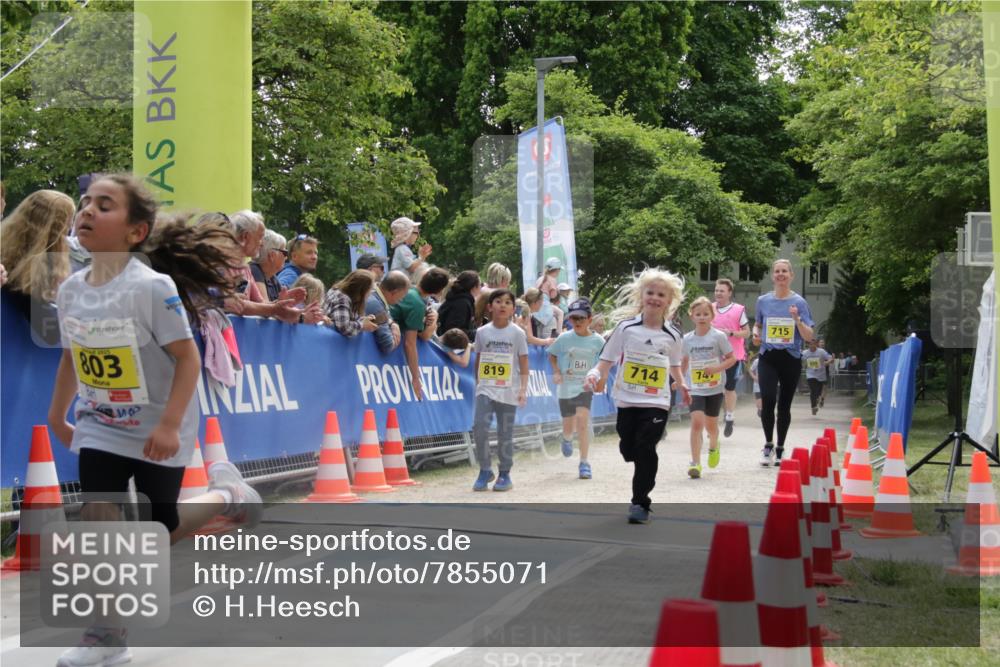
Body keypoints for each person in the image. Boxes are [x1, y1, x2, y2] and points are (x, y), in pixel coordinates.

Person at [46, 173, 261, 667]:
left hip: (160, 423)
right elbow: (70, 357)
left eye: (105, 205)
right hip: (100, 422)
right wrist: (58, 413)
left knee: (156, 527)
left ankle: (227, 496)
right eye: (85, 202)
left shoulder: (151, 287)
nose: (87, 210)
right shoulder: (71, 290)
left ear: (136, 232)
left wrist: (168, 425)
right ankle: (106, 635)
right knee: (98, 518)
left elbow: (187, 359)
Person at [584, 268, 689, 524]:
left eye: (661, 295)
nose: (654, 298)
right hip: (627, 399)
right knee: (629, 447)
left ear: (669, 301)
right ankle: (632, 451)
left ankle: (640, 503)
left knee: (645, 447)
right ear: (641, 295)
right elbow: (607, 359)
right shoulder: (626, 328)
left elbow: (675, 364)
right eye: (650, 292)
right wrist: (594, 374)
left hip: (657, 401)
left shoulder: (673, 335)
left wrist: (682, 384)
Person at [751, 259, 815, 466]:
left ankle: (780, 447)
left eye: (784, 271)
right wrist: (755, 333)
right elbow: (758, 325)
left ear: (791, 276)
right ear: (772, 276)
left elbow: (809, 336)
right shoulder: (762, 301)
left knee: (784, 405)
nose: (780, 274)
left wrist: (797, 320)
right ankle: (768, 444)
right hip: (768, 356)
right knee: (768, 399)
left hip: (790, 358)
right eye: (777, 271)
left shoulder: (799, 303)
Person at [0, 189, 76, 346]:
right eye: (67, 226)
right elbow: (51, 333)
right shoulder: (26, 276)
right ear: (55, 232)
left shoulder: (8, 258)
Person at [471, 288, 529, 492]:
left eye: (507, 302)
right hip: (486, 388)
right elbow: (478, 359)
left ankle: (504, 473)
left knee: (505, 433)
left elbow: (524, 362)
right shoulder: (482, 332)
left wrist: (523, 389)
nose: (502, 305)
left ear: (513, 309)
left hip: (508, 390)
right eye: (498, 301)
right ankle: (485, 469)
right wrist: (478, 383)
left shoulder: (518, 333)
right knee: (479, 427)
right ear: (489, 306)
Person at [547, 298, 605, 480]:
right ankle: (566, 437)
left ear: (590, 319)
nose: (577, 322)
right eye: (573, 318)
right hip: (566, 387)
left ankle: (584, 462)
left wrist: (601, 381)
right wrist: (556, 371)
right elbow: (551, 354)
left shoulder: (598, 341)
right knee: (568, 423)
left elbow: (605, 363)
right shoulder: (564, 338)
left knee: (582, 422)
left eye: (581, 318)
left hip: (585, 386)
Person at [682, 297, 737, 478]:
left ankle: (714, 445)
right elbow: (684, 361)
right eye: (698, 314)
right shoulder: (687, 339)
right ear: (692, 316)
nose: (702, 317)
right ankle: (695, 463)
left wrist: (717, 369)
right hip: (695, 387)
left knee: (711, 427)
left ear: (712, 316)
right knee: (697, 422)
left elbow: (732, 359)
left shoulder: (718, 336)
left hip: (714, 387)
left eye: (706, 314)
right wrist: (680, 379)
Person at [390, 267, 450, 400]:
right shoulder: (417, 304)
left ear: (422, 278)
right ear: (439, 291)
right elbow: (412, 343)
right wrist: (416, 378)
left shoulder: (410, 292)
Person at [711, 278, 750, 438]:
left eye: (722, 291)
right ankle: (712, 421)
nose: (718, 293)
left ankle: (729, 416)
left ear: (729, 293)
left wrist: (732, 333)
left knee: (729, 388)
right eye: (716, 290)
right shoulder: (709, 308)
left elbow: (747, 332)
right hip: (712, 355)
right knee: (712, 388)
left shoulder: (738, 310)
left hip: (733, 356)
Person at [324, 269, 379, 337]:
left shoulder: (344, 294)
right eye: (370, 289)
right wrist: (362, 325)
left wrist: (363, 320)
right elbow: (344, 327)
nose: (371, 293)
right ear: (361, 290)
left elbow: (346, 319)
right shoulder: (342, 299)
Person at [366, 270, 408, 354]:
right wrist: (396, 338)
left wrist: (392, 323)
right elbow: (388, 346)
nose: (401, 300)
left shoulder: (374, 296)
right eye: (402, 296)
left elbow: (385, 315)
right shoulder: (375, 305)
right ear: (394, 292)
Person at [228, 210, 266, 303]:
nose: (262, 244)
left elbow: (260, 303)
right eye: (260, 237)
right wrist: (277, 307)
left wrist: (282, 302)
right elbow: (240, 306)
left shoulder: (245, 267)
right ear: (245, 236)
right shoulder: (223, 265)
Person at [437, 270, 481, 341]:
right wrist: (478, 333)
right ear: (474, 287)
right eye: (480, 285)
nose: (481, 288)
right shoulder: (462, 303)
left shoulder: (458, 298)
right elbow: (454, 331)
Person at [250, 229, 288, 303]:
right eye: (285, 253)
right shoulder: (254, 270)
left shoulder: (272, 277)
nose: (286, 257)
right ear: (272, 255)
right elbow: (263, 306)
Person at [534, 257, 564, 337]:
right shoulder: (552, 279)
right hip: (545, 306)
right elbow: (553, 296)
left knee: (539, 334)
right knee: (560, 313)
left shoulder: (540, 279)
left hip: (536, 308)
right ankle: (559, 334)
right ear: (557, 270)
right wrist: (557, 292)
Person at [802, 338, 834, 415]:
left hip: (821, 375)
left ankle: (817, 400)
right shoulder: (805, 353)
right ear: (808, 345)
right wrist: (804, 364)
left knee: (818, 392)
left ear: (816, 344)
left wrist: (828, 362)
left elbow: (830, 359)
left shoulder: (821, 351)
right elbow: (800, 360)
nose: (812, 346)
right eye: (810, 344)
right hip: (810, 374)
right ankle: (813, 407)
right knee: (813, 390)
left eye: (813, 344)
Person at [747, 352, 762, 417]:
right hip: (757, 384)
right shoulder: (757, 361)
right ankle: (760, 409)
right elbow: (750, 370)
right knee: (759, 400)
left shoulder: (771, 360)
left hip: (767, 384)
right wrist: (754, 377)